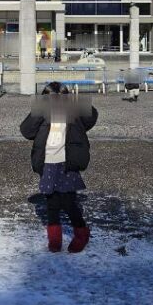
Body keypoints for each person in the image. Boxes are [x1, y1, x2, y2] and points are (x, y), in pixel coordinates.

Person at [19, 82, 99, 253]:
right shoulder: (42, 114)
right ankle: (54, 238)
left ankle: (82, 233)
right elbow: (26, 131)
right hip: (47, 162)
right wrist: (40, 109)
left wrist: (74, 102)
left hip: (66, 161)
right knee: (52, 202)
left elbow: (92, 117)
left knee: (69, 202)